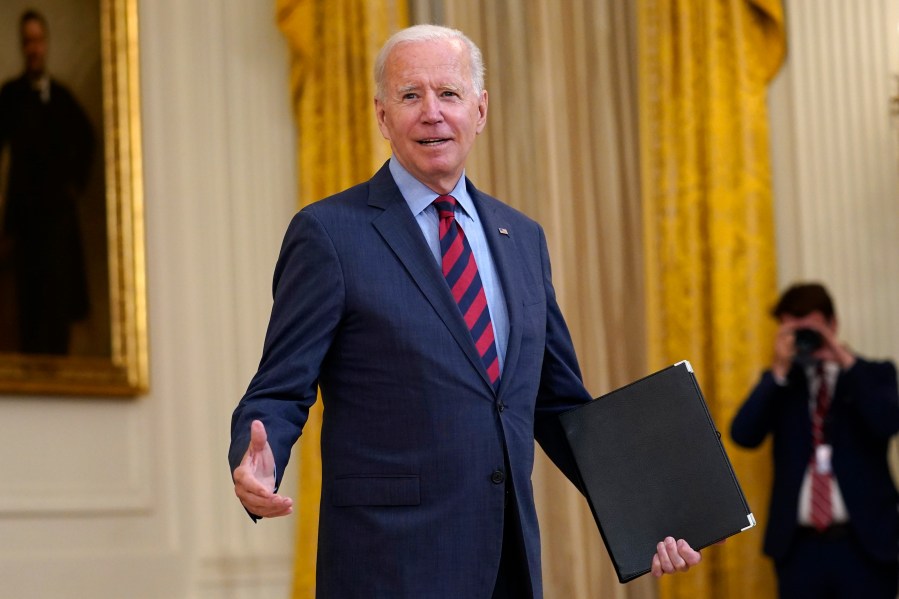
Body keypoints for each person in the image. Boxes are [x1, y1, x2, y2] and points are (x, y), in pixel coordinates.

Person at [229, 24, 702, 598]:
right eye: (410, 96)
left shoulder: (522, 237)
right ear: (382, 116)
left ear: (479, 110)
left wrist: (649, 518)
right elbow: (279, 388)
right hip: (387, 565)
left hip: (506, 561)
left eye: (448, 94)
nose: (432, 113)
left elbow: (558, 404)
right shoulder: (330, 234)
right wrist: (257, 459)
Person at [731, 282, 899, 598]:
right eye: (790, 329)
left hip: (866, 546)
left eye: (808, 327)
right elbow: (743, 434)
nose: (803, 339)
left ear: (831, 324)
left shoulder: (873, 374)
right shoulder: (783, 386)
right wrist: (778, 370)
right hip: (799, 551)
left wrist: (841, 356)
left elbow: (887, 422)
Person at [0, 9, 94, 355]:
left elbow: (88, 141)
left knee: (57, 308)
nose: (34, 48)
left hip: (57, 226)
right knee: (26, 310)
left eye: (38, 40)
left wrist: (73, 187)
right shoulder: (9, 97)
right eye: (28, 42)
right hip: (23, 228)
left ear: (46, 44)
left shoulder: (63, 99)